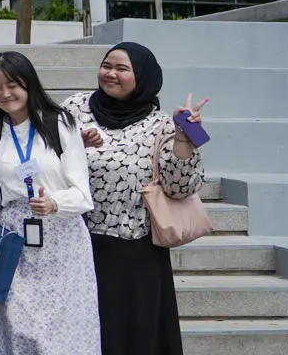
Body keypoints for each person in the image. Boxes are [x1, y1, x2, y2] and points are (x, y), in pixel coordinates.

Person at [64, 43, 208, 354]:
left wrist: (184, 138)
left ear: (143, 77)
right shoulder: (74, 109)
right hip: (78, 245)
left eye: (122, 69)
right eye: (107, 66)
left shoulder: (162, 125)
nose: (110, 74)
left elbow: (181, 188)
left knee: (134, 338)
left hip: (135, 252)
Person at [0, 52, 99, 353]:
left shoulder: (60, 123)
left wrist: (55, 203)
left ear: (29, 83)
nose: (5, 93)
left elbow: (82, 192)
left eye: (12, 85)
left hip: (64, 240)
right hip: (15, 242)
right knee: (21, 330)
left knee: (67, 335)